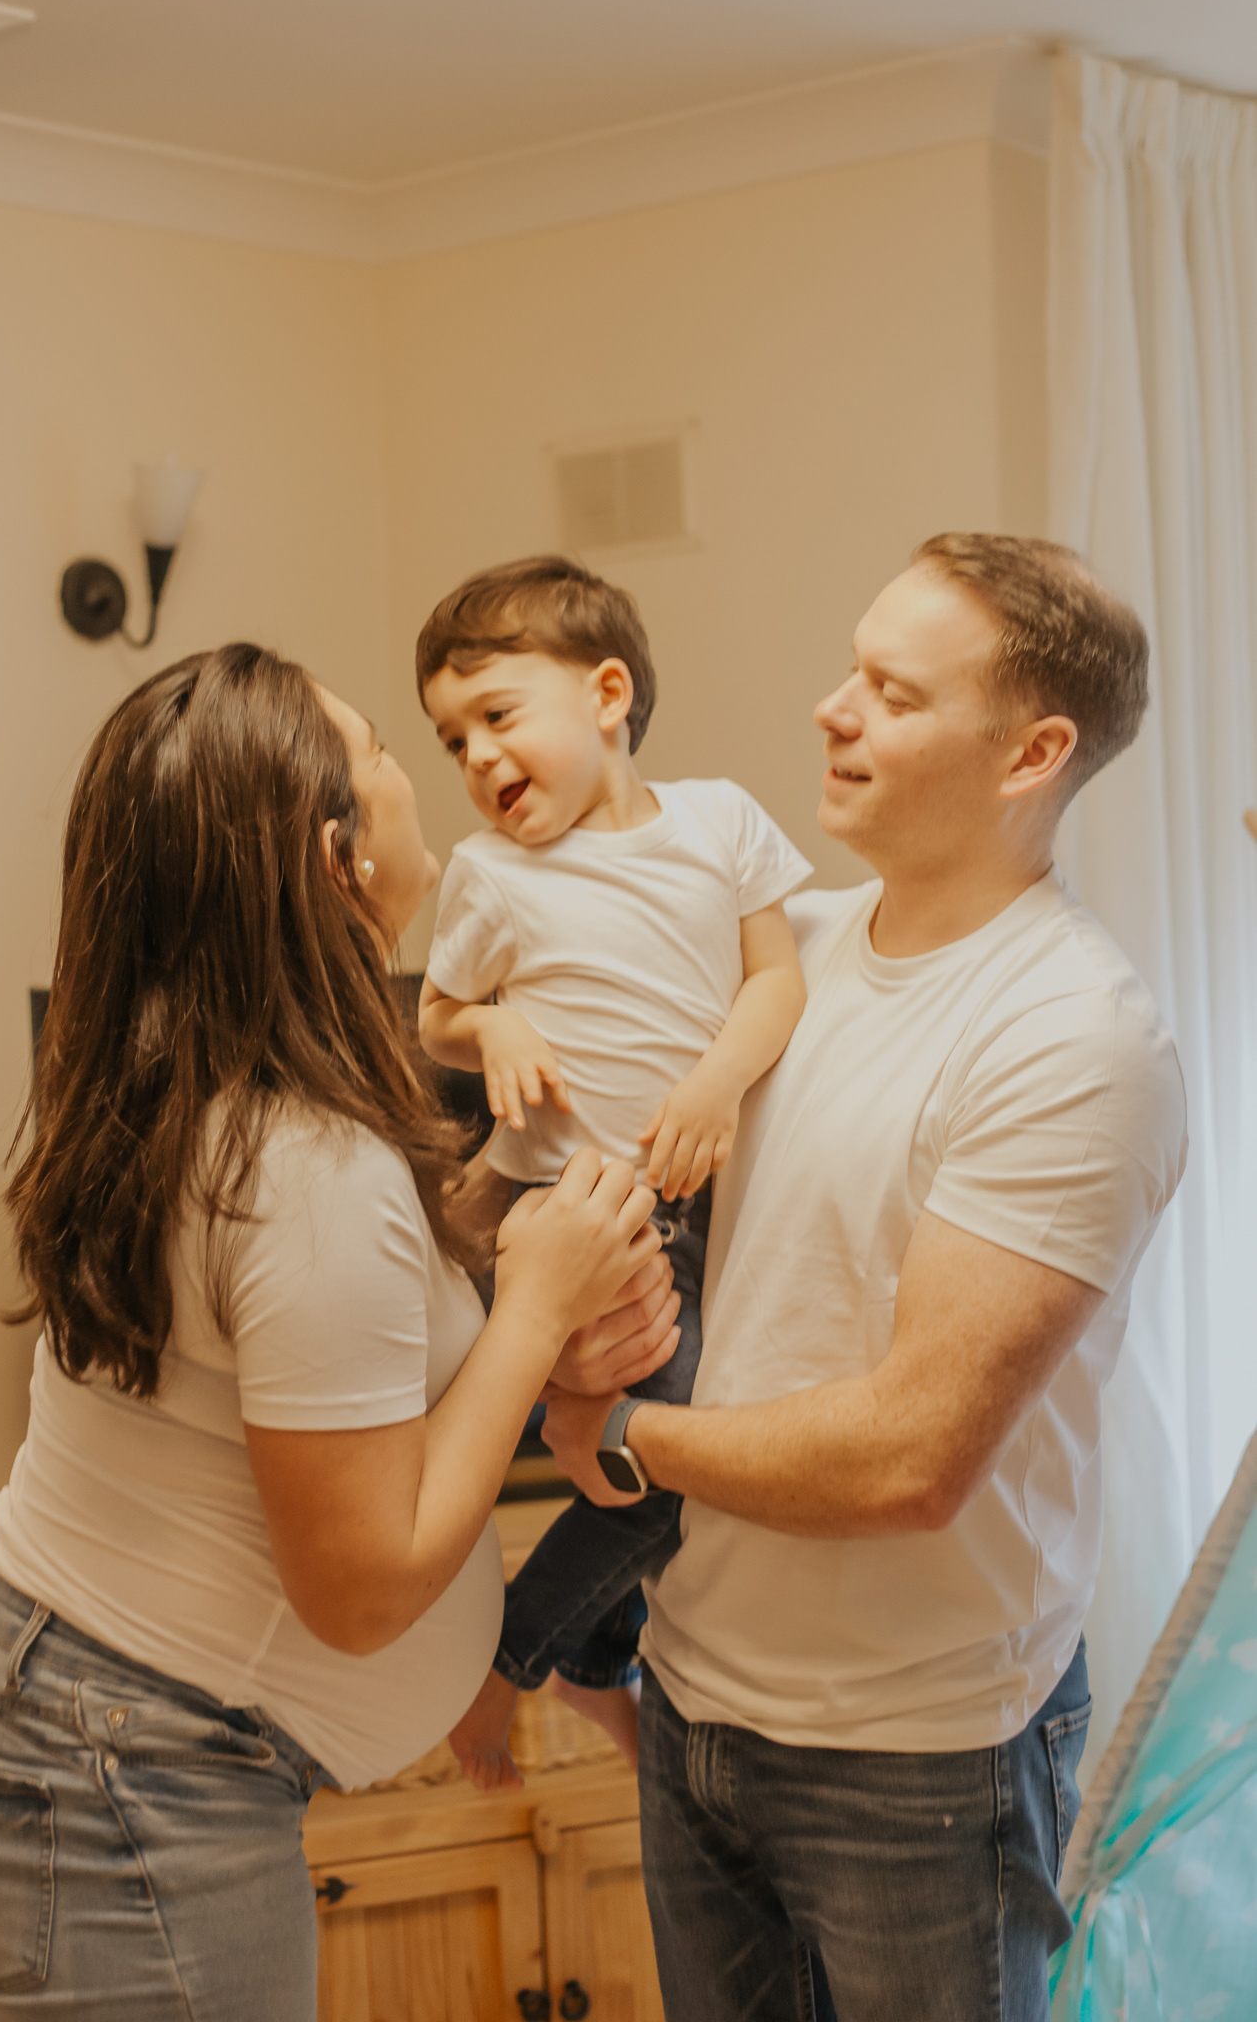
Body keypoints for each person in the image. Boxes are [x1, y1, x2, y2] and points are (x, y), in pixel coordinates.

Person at [0, 643, 669, 2022]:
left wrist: (517, 1277)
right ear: (333, 855)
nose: (414, 775)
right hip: (122, 1763)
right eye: (382, 750)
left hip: (69, 1711)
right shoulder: (305, 1169)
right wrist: (538, 1306)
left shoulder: (192, 1083)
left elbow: (328, 1333)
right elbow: (362, 1589)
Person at [542, 535, 1189, 2022]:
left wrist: (621, 1437)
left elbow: (911, 1456)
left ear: (1031, 754)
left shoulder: (1073, 1039)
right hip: (694, 1698)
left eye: (894, 693)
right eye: (853, 669)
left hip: (920, 1757)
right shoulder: (790, 961)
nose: (832, 708)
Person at [414, 556, 811, 1784]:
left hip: (704, 1207)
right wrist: (494, 1028)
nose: (477, 757)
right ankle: (510, 1661)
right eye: (452, 740)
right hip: (576, 1218)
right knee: (665, 1473)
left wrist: (715, 1081)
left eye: (497, 715)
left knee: (664, 1466)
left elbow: (777, 979)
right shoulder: (491, 872)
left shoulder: (721, 821)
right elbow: (437, 1014)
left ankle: (593, 1659)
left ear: (606, 694)